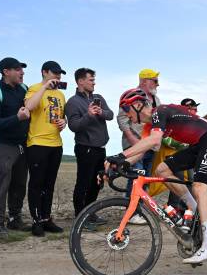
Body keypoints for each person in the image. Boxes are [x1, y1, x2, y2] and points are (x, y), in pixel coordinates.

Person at [106, 89, 207, 263]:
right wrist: (117, 165)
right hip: (198, 145)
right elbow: (143, 149)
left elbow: (154, 141)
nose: (126, 115)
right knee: (162, 170)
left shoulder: (159, 112)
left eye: (126, 110)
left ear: (138, 105)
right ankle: (194, 208)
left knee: (200, 187)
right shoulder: (150, 126)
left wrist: (121, 156)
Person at [0, 57, 31, 238]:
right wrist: (16, 119)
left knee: (19, 184)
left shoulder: (24, 89)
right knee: (2, 185)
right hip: (3, 146)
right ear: (6, 71)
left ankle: (14, 219)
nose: (22, 72)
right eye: (18, 69)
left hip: (23, 146)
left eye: (22, 69)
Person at [65, 68, 114, 226]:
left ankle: (90, 213)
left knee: (97, 183)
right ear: (80, 81)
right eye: (91, 80)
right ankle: (80, 218)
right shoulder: (72, 102)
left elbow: (111, 115)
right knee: (83, 183)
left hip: (100, 148)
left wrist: (100, 112)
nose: (94, 83)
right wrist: (88, 115)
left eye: (94, 80)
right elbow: (73, 126)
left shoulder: (98, 98)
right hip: (85, 148)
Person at [24, 61, 68, 236]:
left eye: (60, 73)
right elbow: (29, 106)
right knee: (36, 183)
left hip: (56, 144)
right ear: (44, 72)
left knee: (49, 185)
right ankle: (36, 221)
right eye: (55, 73)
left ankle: (46, 218)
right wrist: (44, 88)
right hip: (37, 143)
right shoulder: (34, 88)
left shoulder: (60, 95)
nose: (58, 76)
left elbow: (61, 116)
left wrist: (64, 122)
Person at [116, 69, 161, 224]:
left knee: (145, 178)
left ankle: (139, 209)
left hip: (151, 144)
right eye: (154, 81)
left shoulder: (156, 99)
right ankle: (131, 210)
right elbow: (122, 119)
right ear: (144, 81)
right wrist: (132, 140)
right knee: (135, 176)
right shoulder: (131, 96)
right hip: (134, 143)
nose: (157, 84)